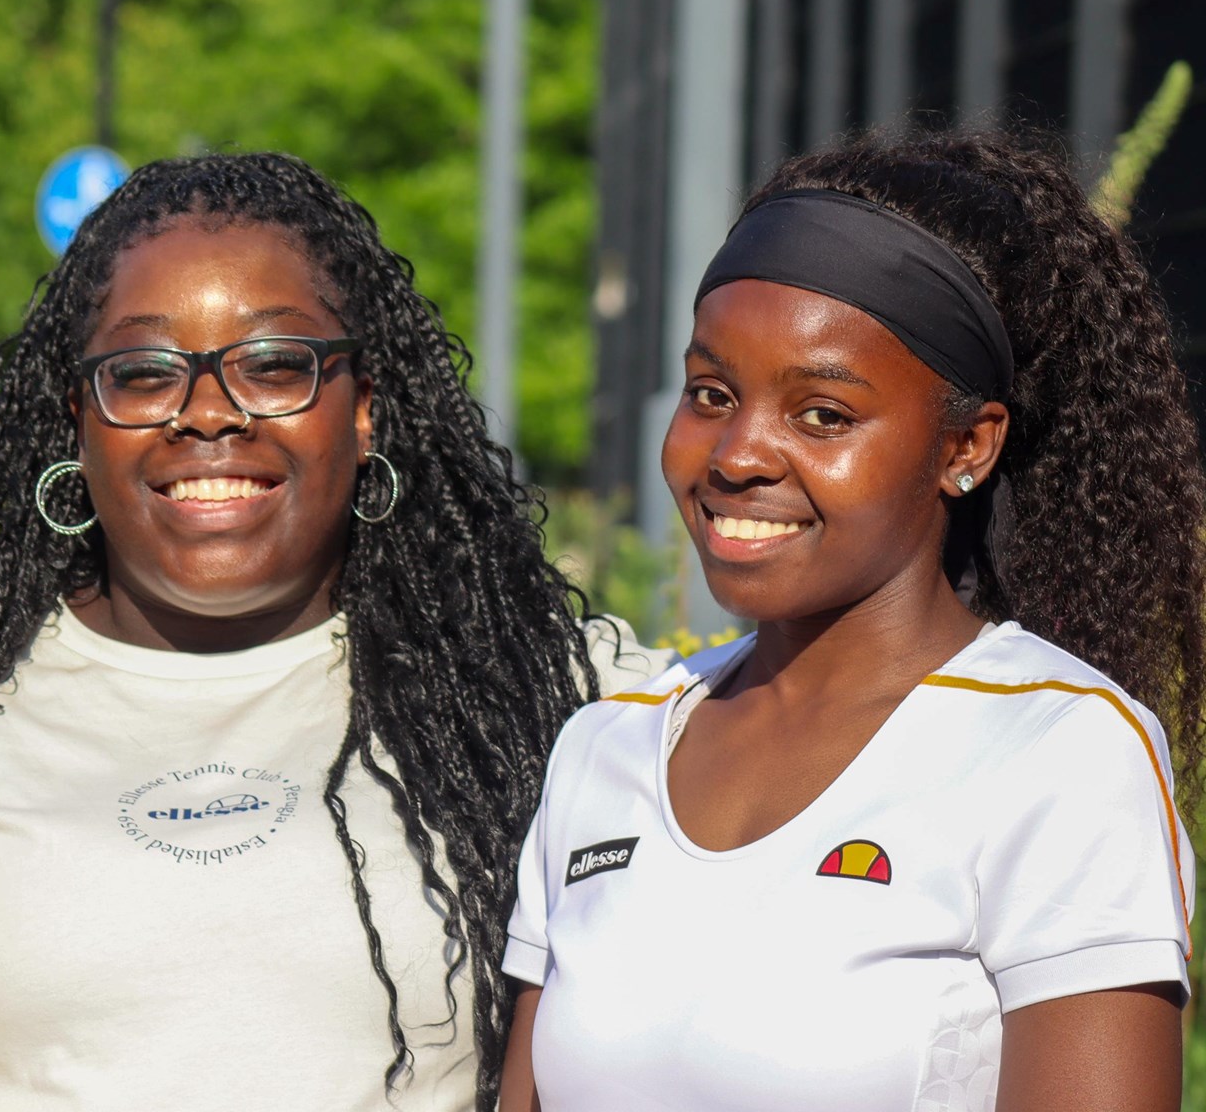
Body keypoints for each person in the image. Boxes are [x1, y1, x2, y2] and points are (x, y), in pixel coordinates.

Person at [0, 151, 673, 1111]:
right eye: (142, 373)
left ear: (367, 409)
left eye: (273, 366)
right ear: (76, 423)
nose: (208, 413)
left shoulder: (559, 698)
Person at [500, 128, 1204, 1112]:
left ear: (964, 446)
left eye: (822, 414)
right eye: (711, 394)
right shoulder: (603, 748)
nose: (736, 453)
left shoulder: (1056, 751)